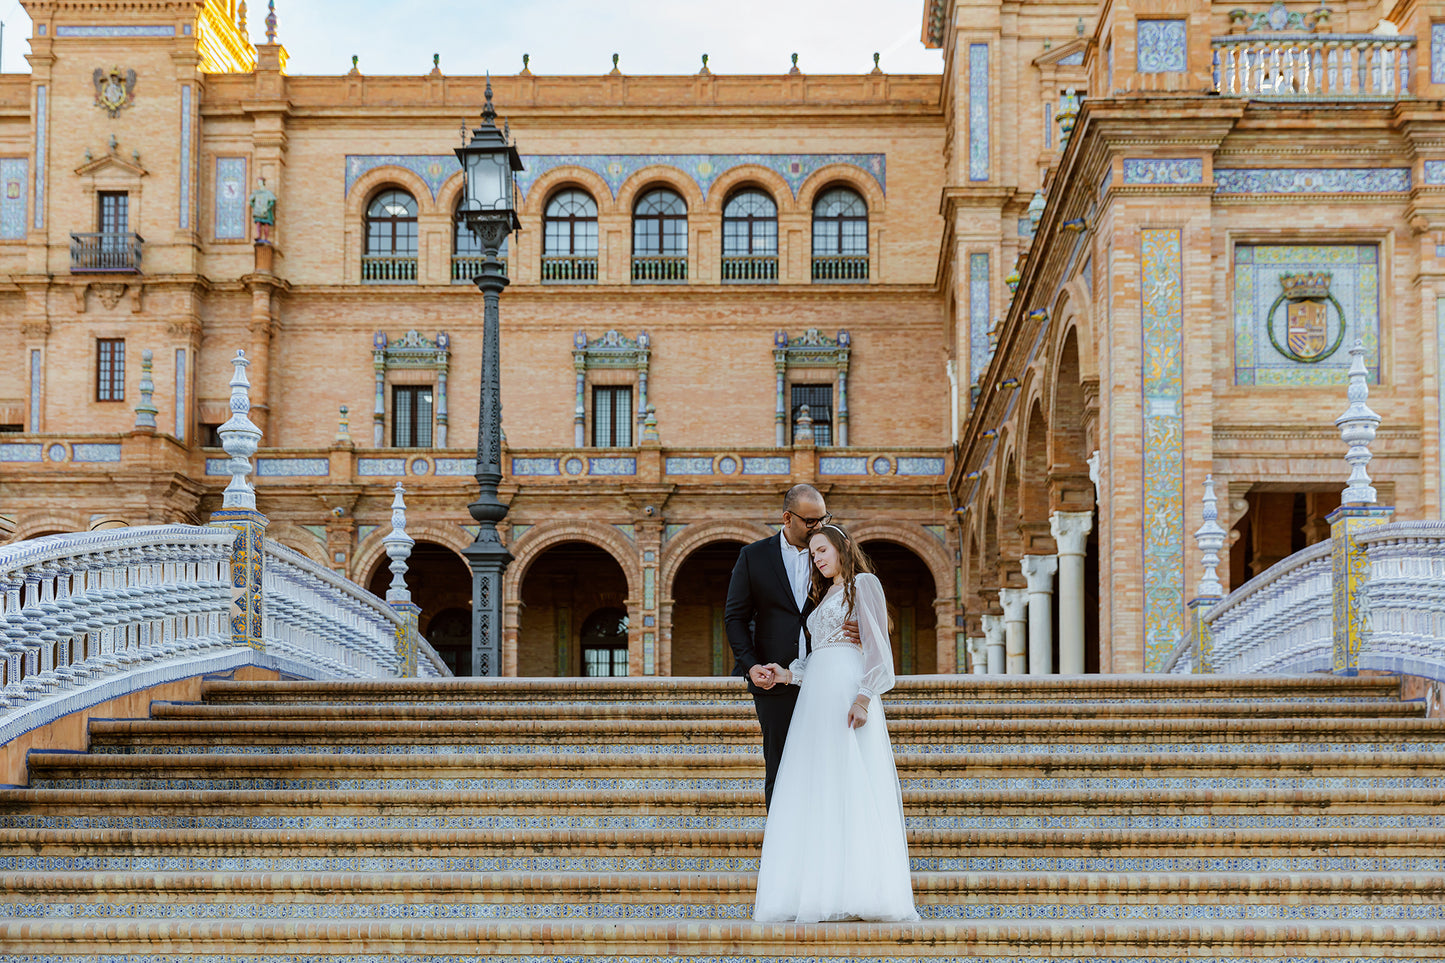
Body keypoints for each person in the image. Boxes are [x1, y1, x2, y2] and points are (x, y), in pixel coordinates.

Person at [752, 523, 918, 923]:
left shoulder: (864, 584)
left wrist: (863, 698)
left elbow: (880, 654)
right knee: (819, 786)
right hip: (815, 699)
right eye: (813, 554)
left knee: (850, 782)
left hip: (847, 692)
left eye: (822, 550)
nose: (818, 558)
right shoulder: (822, 596)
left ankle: (861, 889)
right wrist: (785, 674)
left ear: (842, 548)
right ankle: (819, 889)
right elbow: (813, 662)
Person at [725, 484, 855, 810]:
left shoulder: (826, 554)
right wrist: (750, 664)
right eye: (811, 521)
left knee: (826, 765)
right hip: (773, 679)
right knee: (780, 768)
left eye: (823, 519)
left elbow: (854, 594)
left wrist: (859, 628)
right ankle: (781, 854)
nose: (819, 527)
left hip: (826, 678)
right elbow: (735, 617)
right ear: (787, 517)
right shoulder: (753, 557)